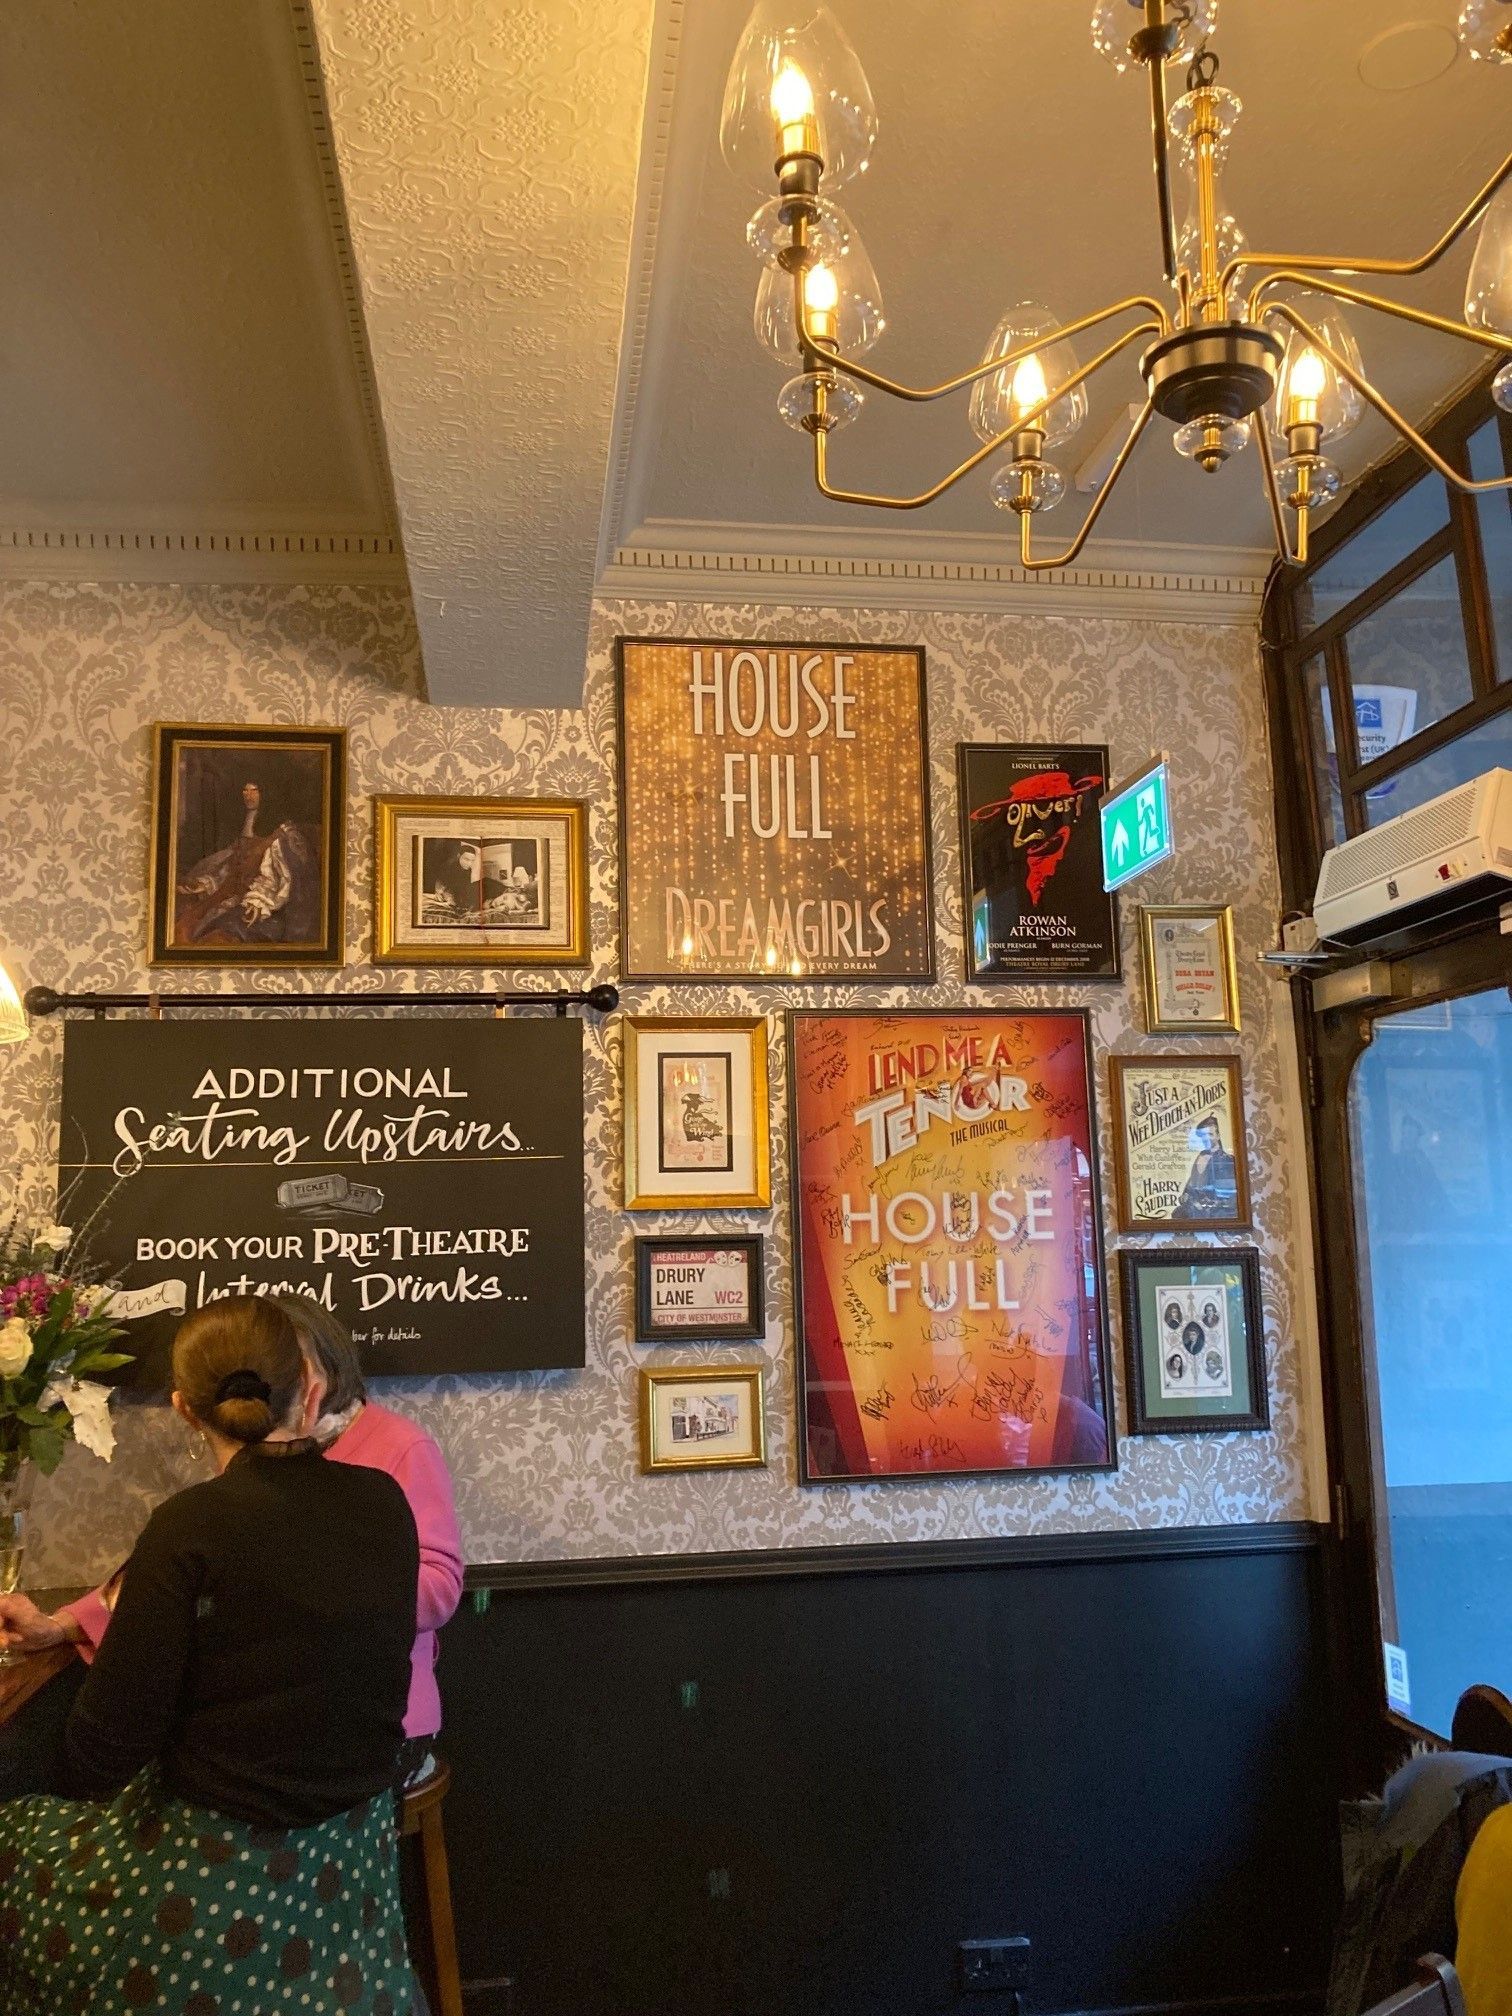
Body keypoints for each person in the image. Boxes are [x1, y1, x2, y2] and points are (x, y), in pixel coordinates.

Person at [0, 1295, 420, 2014]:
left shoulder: (189, 1526)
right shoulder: (383, 1499)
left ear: (185, 1410)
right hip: (352, 1865)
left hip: (213, 1876)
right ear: (311, 1390)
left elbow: (101, 1754)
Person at [4, 1295, 463, 1790]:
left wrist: (300, 1594)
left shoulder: (396, 1451)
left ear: (315, 1380)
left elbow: (439, 1585)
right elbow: (172, 1577)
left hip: (371, 1729)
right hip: (265, 1726)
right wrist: (65, 1625)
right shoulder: (229, 1482)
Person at [173, 778, 323, 946]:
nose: (248, 795)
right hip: (236, 895)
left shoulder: (282, 840)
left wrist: (257, 901)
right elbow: (230, 869)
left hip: (268, 908)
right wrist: (207, 884)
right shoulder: (247, 833)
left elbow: (285, 884)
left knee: (215, 932)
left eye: (254, 790)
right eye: (245, 790)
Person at [1176, 1114, 1239, 1219]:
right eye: (1204, 1135)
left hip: (1217, 1212)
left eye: (1210, 1134)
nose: (1207, 1138)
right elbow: (1194, 1182)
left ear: (1218, 1136)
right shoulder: (1200, 1156)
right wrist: (1186, 1194)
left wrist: (1210, 1204)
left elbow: (1230, 1192)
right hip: (1196, 1208)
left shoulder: (1227, 1160)